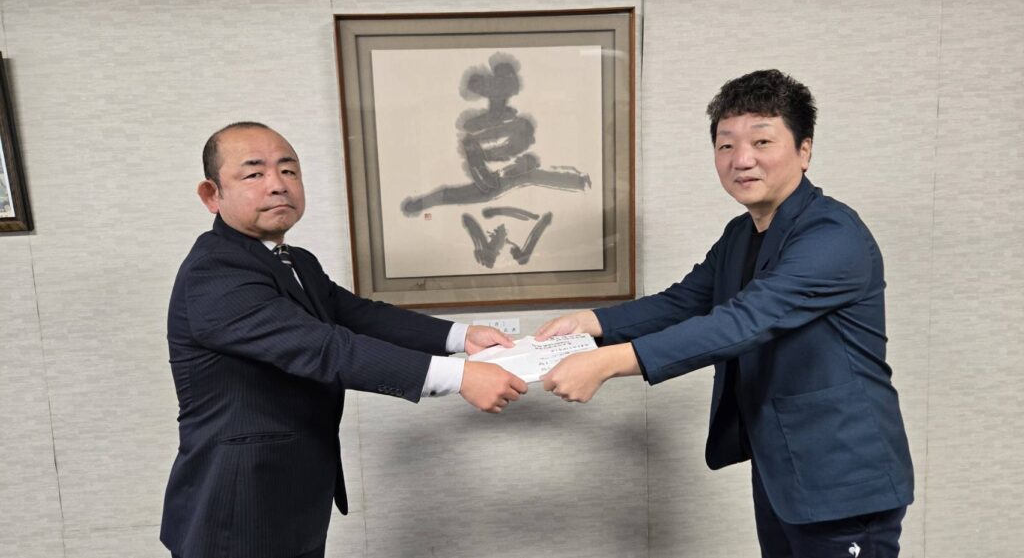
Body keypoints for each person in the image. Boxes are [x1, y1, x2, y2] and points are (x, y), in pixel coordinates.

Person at [537, 70, 913, 557]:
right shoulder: (741, 232)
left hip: (843, 474)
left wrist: (607, 363)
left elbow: (742, 321)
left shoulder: (832, 236)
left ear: (804, 150)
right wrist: (591, 323)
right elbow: (684, 301)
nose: (742, 159)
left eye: (762, 141)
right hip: (783, 466)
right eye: (726, 145)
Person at [161, 122, 528, 558]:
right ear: (212, 195)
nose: (277, 185)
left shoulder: (294, 260)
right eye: (254, 173)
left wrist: (461, 336)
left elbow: (359, 316)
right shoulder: (215, 272)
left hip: (291, 496)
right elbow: (324, 348)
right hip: (236, 505)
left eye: (288, 170)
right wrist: (460, 376)